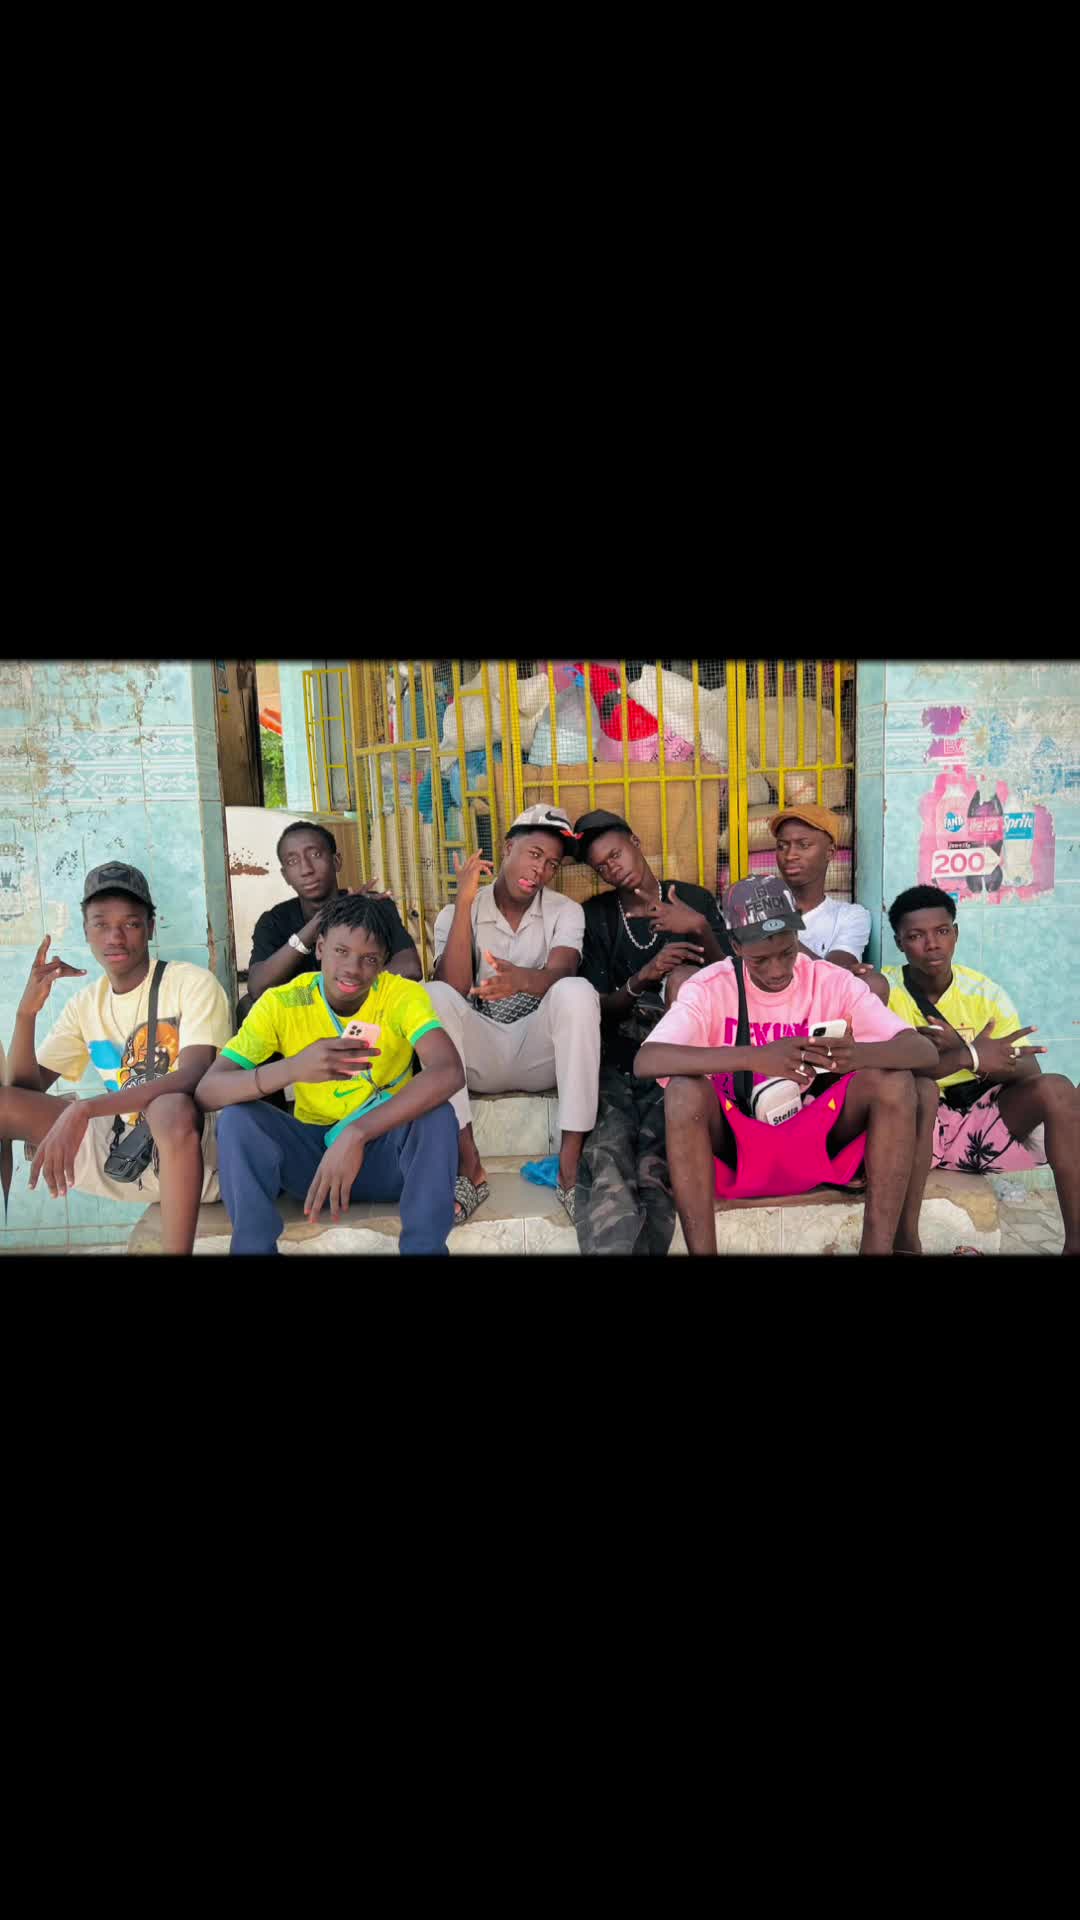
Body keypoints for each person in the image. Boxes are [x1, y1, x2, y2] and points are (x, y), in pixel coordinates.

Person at [633, 874, 938, 1256]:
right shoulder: (712, 986)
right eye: (761, 959)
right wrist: (756, 1056)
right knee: (682, 1092)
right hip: (738, 1142)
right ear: (736, 946)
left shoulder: (829, 981)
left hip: (817, 1134)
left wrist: (856, 1055)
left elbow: (923, 1052)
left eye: (787, 952)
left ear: (798, 937)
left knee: (899, 1083)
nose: (777, 970)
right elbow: (648, 1059)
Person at [197, 896, 462, 1256]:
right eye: (341, 951)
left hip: (387, 1157)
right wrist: (293, 1068)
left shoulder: (401, 995)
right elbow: (209, 1090)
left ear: (384, 962)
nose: (352, 969)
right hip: (313, 1165)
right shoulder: (283, 1002)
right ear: (320, 947)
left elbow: (449, 1070)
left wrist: (357, 1134)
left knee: (438, 1114)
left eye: (369, 959)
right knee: (237, 1120)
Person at [0, 862, 231, 1254]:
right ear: (86, 931)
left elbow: (192, 1076)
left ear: (151, 928)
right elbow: (23, 1097)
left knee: (170, 1107)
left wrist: (85, 1109)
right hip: (124, 1154)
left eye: (131, 924)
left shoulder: (190, 983)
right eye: (101, 924)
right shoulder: (85, 1004)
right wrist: (27, 1014)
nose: (115, 937)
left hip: (200, 1155)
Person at [425, 805, 600, 1226]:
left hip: (538, 1055)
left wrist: (520, 981)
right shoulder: (456, 912)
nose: (540, 870)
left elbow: (562, 973)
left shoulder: (565, 911)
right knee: (432, 996)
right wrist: (464, 902)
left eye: (552, 864)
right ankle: (468, 1163)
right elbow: (452, 987)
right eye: (534, 854)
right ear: (507, 848)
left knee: (578, 992)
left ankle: (570, 1165)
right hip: (477, 1060)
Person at [882, 885, 1080, 1256]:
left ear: (955, 934)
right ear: (899, 943)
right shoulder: (886, 990)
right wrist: (968, 1056)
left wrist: (969, 1053)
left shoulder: (984, 993)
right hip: (917, 1128)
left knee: (1058, 1088)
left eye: (942, 931)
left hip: (978, 1126)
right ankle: (906, 1241)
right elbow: (886, 1069)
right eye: (916, 936)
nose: (932, 944)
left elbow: (1029, 1068)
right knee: (921, 1089)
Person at [571, 809, 730, 1256]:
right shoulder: (597, 915)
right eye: (601, 866)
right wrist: (644, 976)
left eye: (616, 854)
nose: (612, 868)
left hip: (680, 1057)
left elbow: (732, 982)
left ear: (636, 842)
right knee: (608, 1152)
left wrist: (698, 928)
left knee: (657, 1163)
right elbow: (597, 1006)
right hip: (619, 1054)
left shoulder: (692, 898)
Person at [246, 821, 420, 1006]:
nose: (306, 869)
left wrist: (344, 989)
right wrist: (319, 921)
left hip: (363, 1004)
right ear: (285, 875)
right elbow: (257, 987)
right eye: (292, 861)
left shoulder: (373, 905)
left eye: (315, 854)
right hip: (303, 1004)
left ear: (336, 861)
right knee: (247, 1005)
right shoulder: (274, 920)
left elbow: (410, 967)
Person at [770, 801, 889, 1003]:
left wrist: (780, 933)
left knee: (872, 983)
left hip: (821, 1005)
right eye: (782, 846)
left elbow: (836, 976)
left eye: (804, 845)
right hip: (767, 1003)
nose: (790, 855)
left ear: (830, 852)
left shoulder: (850, 915)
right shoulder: (759, 908)